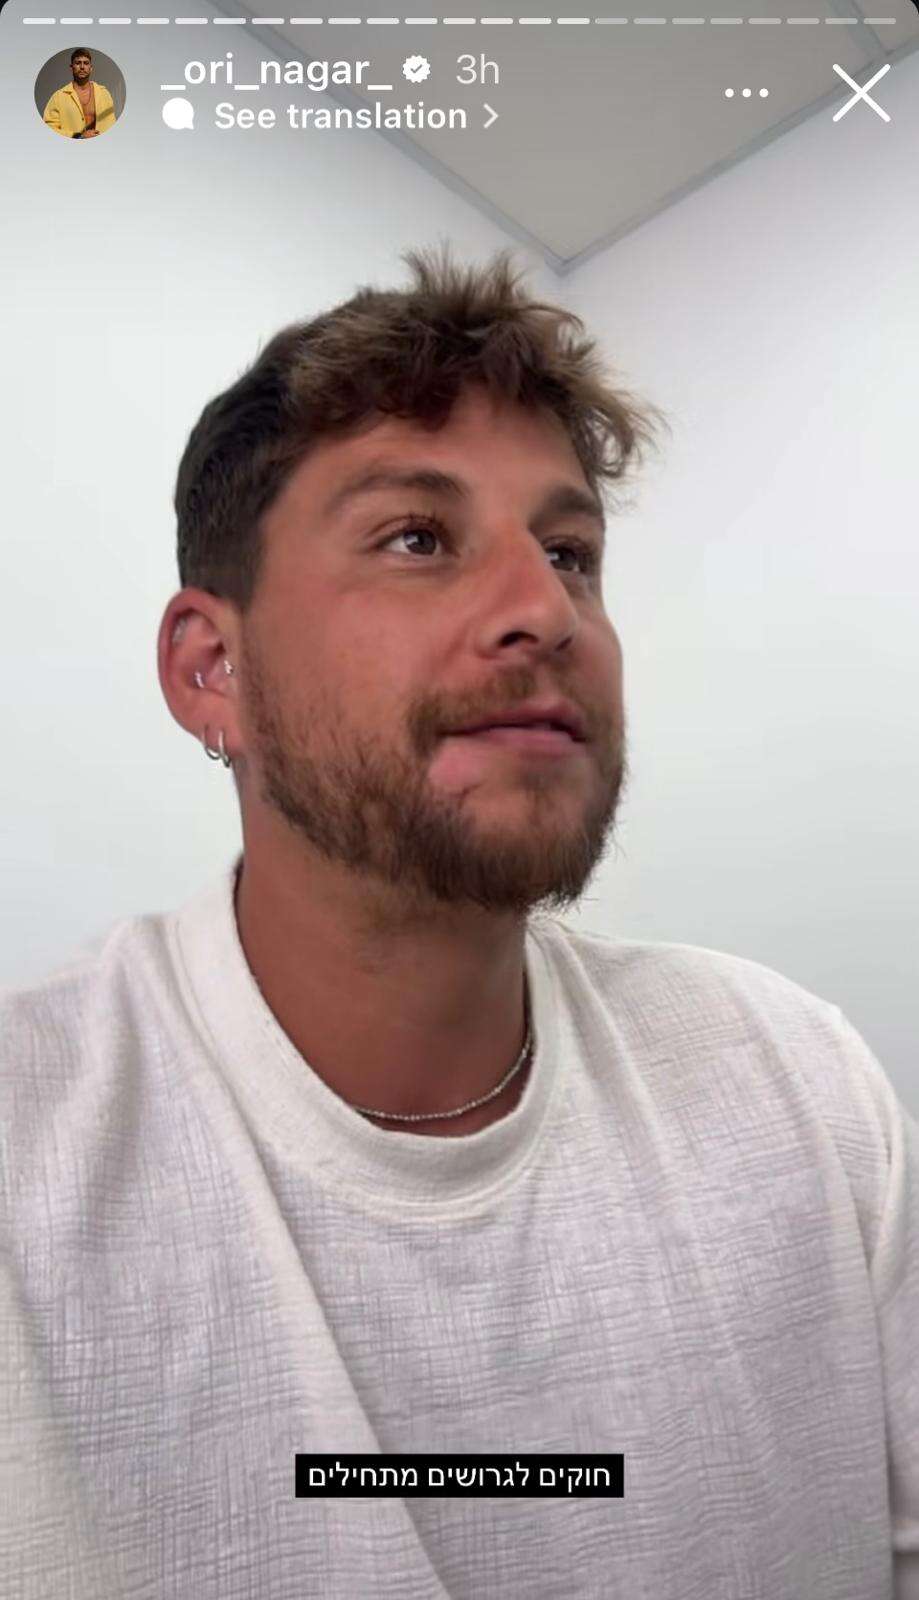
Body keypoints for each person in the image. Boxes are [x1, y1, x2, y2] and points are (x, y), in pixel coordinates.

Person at [1, 244, 917, 1599]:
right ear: (212, 669)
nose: (543, 610)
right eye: (417, 538)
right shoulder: (30, 1153)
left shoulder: (797, 1082)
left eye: (570, 553)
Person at [42, 48, 115, 140]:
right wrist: (79, 136)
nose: (82, 67)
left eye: (86, 63)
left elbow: (112, 124)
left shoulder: (104, 93)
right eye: (78, 63)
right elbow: (49, 128)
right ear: (71, 67)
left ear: (91, 68)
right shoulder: (58, 97)